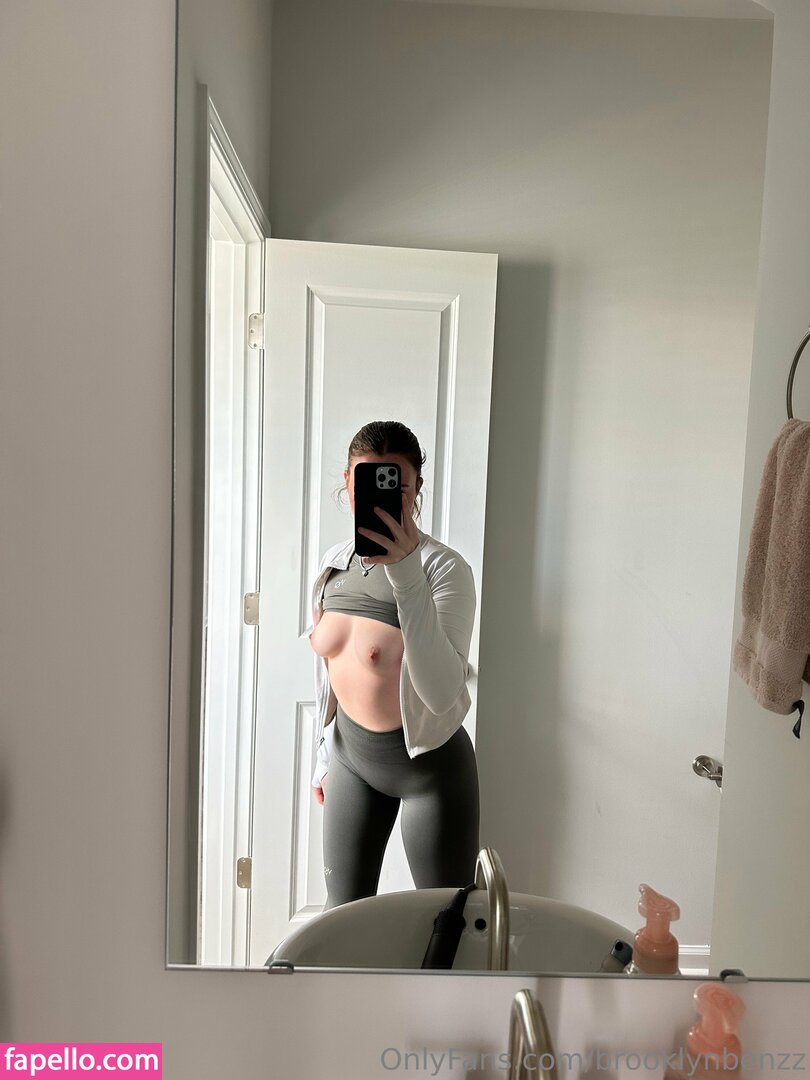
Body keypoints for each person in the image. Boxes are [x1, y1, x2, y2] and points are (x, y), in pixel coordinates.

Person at [306, 420, 480, 909]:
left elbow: (442, 694)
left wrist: (405, 573)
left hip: (429, 773)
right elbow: (329, 669)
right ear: (348, 482)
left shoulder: (444, 568)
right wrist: (324, 757)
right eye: (365, 481)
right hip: (350, 760)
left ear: (416, 487)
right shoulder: (334, 562)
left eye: (395, 485)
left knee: (444, 921)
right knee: (342, 914)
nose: (380, 496)